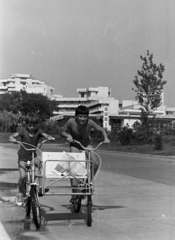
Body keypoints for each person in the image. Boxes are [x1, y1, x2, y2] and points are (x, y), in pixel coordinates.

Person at [61, 105, 110, 203]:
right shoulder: (71, 121)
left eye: (85, 116)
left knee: (95, 162)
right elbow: (62, 132)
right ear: (76, 116)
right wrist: (68, 135)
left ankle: (87, 183)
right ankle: (74, 194)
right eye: (80, 116)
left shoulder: (90, 122)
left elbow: (101, 129)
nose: (83, 119)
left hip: (86, 144)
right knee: (74, 168)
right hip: (75, 145)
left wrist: (106, 138)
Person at [9, 112, 54, 206]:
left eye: (34, 125)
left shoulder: (39, 131)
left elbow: (46, 135)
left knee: (41, 163)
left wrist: (49, 137)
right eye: (30, 125)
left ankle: (41, 187)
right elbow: (12, 136)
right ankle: (21, 193)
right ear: (26, 124)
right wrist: (12, 139)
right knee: (22, 176)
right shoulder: (22, 130)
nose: (32, 128)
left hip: (33, 156)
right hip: (23, 157)